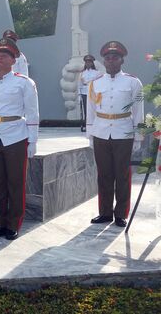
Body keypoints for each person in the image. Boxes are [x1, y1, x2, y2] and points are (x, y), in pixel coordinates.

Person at [0, 37, 39, 240]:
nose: (0, 58)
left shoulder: (24, 83)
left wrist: (32, 141)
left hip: (15, 136)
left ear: (14, 60)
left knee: (15, 182)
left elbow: (32, 113)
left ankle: (13, 224)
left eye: (5, 55)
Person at [87, 41, 143, 228]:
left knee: (122, 175)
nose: (111, 61)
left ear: (122, 60)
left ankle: (120, 214)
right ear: (104, 61)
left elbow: (138, 111)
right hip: (101, 132)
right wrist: (90, 135)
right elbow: (91, 110)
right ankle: (104, 213)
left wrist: (138, 136)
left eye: (115, 58)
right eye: (108, 58)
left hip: (123, 132)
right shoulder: (95, 83)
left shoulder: (133, 82)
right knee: (103, 175)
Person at [78, 55, 101, 132]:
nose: (88, 63)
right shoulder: (82, 73)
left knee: (94, 109)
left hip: (93, 93)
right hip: (84, 92)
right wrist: (79, 95)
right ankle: (86, 125)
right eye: (86, 62)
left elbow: (99, 84)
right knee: (86, 109)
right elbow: (79, 84)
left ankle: (95, 124)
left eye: (89, 62)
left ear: (92, 63)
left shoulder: (97, 73)